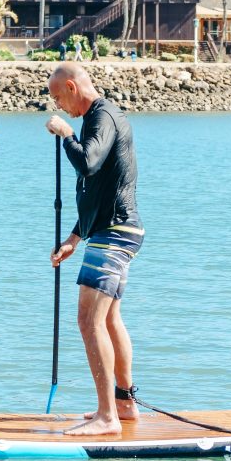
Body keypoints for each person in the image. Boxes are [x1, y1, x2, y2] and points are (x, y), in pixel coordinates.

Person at [45, 63, 144, 436]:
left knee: (88, 321)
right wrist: (74, 237)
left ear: (71, 86)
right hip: (117, 230)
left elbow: (86, 164)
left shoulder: (102, 117)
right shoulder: (98, 118)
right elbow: (98, 188)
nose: (59, 105)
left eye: (58, 97)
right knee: (109, 319)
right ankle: (123, 403)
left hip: (115, 234)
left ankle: (107, 418)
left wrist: (67, 134)